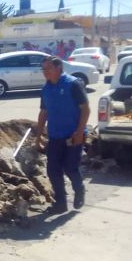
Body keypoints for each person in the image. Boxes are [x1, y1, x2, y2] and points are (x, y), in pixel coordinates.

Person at [36, 56, 90, 215]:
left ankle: (79, 190)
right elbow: (43, 113)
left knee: (70, 168)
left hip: (73, 136)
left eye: (48, 69)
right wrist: (38, 135)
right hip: (55, 136)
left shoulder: (73, 84)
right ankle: (61, 203)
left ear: (58, 68)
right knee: (53, 170)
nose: (45, 72)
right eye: (43, 69)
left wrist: (80, 132)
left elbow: (85, 109)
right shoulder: (45, 88)